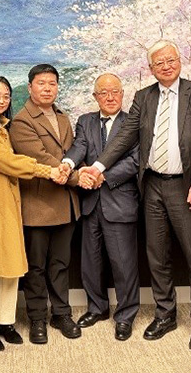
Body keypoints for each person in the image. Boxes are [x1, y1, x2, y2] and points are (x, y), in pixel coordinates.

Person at [81, 39, 191, 350]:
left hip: (185, 185)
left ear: (179, 61)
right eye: (159, 63)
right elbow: (126, 136)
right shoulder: (144, 96)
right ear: (151, 68)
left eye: (170, 60)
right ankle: (165, 314)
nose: (166, 66)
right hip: (152, 185)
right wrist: (98, 167)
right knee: (157, 256)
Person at [0, 75, 68, 351]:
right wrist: (48, 171)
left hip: (9, 207)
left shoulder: (3, 128)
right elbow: (7, 161)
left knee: (10, 266)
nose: (1, 100)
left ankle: (5, 322)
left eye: (6, 96)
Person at [62, 73, 140, 341]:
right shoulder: (85, 121)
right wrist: (68, 164)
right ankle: (97, 308)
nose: (110, 97)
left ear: (123, 94)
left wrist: (103, 176)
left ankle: (126, 315)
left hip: (120, 201)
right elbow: (79, 147)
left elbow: (135, 160)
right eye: (103, 92)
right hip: (90, 203)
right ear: (95, 97)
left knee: (124, 264)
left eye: (115, 91)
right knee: (90, 262)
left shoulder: (133, 122)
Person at [9, 64, 82, 344]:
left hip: (65, 204)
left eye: (52, 83)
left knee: (61, 264)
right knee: (36, 266)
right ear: (30, 87)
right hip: (38, 205)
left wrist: (73, 171)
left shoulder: (63, 117)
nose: (47, 88)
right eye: (41, 83)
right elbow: (40, 159)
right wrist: (77, 178)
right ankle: (37, 317)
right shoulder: (21, 121)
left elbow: (70, 154)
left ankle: (61, 313)